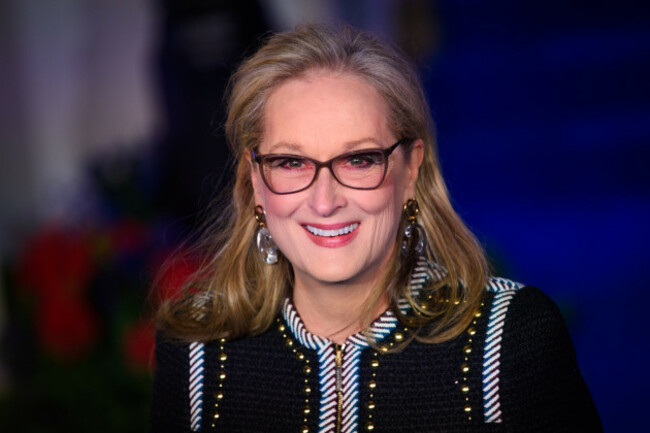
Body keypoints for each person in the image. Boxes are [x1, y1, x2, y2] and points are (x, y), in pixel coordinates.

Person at [150, 24, 602, 432]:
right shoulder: (196, 349)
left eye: (359, 160)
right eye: (290, 162)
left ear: (411, 171)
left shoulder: (512, 337)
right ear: (254, 182)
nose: (325, 202)